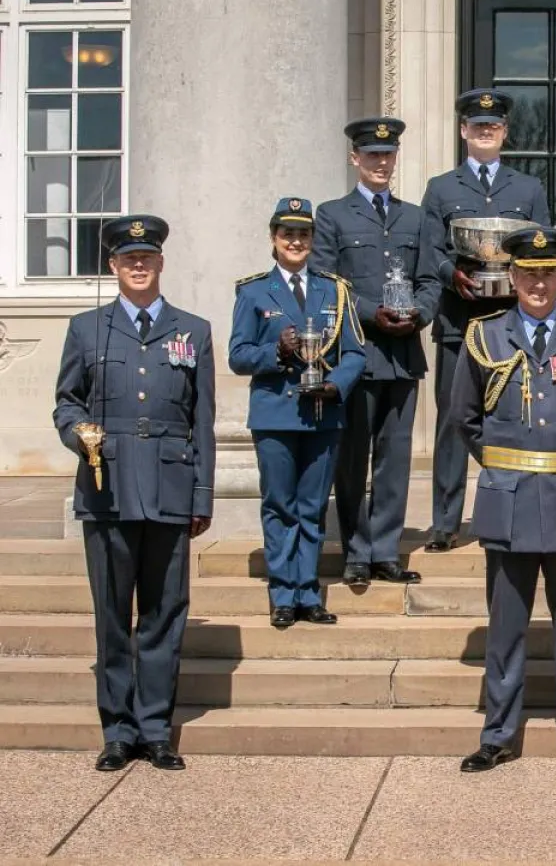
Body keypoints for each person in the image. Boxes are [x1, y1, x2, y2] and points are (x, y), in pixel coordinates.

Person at [449, 226, 556, 773]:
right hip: (509, 502)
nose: (539, 283)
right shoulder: (485, 336)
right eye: (529, 273)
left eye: (548, 273)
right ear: (512, 276)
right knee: (505, 629)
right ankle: (498, 735)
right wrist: (507, 467)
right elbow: (465, 418)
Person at [52, 215, 215, 772]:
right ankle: (118, 731)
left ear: (161, 263)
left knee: (165, 613)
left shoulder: (192, 330)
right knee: (113, 613)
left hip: (170, 487)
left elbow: (202, 420)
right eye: (128, 259)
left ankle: (156, 730)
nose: (138, 265)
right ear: (113, 265)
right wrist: (77, 433)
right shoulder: (86, 329)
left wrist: (202, 494)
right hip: (109, 487)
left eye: (146, 257)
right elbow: (67, 400)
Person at [311, 116, 439, 586]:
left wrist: (419, 313)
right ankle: (356, 551)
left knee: (395, 459)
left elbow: (430, 280)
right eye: (372, 155)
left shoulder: (415, 218)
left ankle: (386, 550)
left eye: (387, 154)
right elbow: (325, 282)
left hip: (403, 357)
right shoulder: (332, 215)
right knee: (352, 459)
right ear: (355, 158)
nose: (381, 162)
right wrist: (370, 313)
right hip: (357, 355)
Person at [422, 89, 551, 552]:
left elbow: (542, 249)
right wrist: (450, 274)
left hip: (512, 324)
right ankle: (445, 522)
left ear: (505, 132)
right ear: (464, 131)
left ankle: (518, 509)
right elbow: (429, 251)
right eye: (477, 126)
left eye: (493, 126)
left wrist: (523, 281)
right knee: (453, 420)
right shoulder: (441, 187)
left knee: (518, 415)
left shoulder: (528, 189)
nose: (485, 132)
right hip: (459, 320)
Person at [229, 198, 367, 628]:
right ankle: (283, 594)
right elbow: (238, 355)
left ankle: (309, 592)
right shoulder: (253, 291)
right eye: (287, 234)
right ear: (273, 238)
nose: (295, 241)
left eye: (303, 234)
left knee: (312, 506)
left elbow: (355, 352)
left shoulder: (335, 289)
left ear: (312, 240)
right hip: (275, 414)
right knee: (279, 505)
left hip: (322, 412)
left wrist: (336, 384)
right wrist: (276, 350)